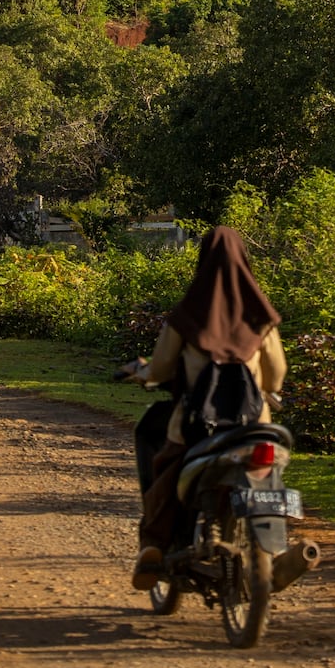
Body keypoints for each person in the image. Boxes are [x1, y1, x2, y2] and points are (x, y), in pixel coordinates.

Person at [124, 225, 286, 590]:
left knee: (166, 469)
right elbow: (275, 377)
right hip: (252, 426)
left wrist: (143, 373)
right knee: (272, 471)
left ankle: (154, 543)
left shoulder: (187, 317)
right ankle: (275, 541)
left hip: (198, 427)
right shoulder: (261, 318)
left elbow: (162, 368)